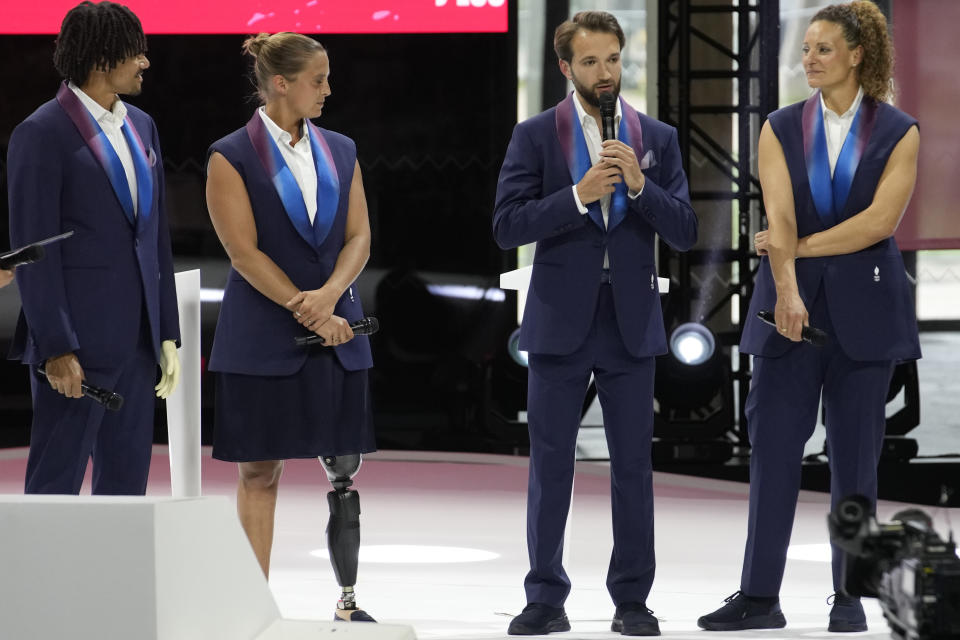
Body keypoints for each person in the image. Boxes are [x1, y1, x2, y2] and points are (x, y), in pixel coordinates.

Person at [698, 1, 920, 633]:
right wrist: (787, 283)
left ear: (857, 55)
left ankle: (849, 598)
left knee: (857, 461)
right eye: (806, 50)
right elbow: (780, 217)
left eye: (823, 49)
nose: (810, 60)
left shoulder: (900, 129)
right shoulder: (779, 125)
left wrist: (793, 249)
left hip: (867, 314)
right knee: (772, 453)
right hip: (786, 309)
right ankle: (758, 598)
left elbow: (880, 224)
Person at [494, 11, 697, 637]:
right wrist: (578, 195)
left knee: (633, 466)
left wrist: (641, 187)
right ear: (565, 68)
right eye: (590, 62)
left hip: (631, 323)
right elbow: (507, 226)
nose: (604, 74)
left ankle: (632, 600)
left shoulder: (654, 136)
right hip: (560, 321)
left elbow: (686, 231)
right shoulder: (534, 136)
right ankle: (545, 598)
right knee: (550, 463)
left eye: (612, 60)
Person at [205, 32, 376, 622]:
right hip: (264, 335)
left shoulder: (342, 149)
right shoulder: (230, 154)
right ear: (282, 83)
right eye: (318, 79)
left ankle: (349, 602)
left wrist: (330, 299)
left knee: (344, 469)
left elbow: (359, 236)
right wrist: (309, 309)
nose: (328, 89)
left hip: (337, 328)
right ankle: (253, 608)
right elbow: (241, 251)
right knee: (260, 472)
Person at [6, 1, 181, 495]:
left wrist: (166, 331)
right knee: (55, 485)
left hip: (139, 344)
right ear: (103, 58)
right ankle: (40, 576)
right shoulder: (41, 133)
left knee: (126, 489)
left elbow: (154, 236)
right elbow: (33, 252)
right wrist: (57, 347)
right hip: (77, 348)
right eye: (136, 52)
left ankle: (117, 577)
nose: (145, 62)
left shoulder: (143, 126)